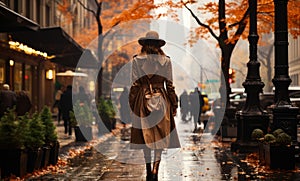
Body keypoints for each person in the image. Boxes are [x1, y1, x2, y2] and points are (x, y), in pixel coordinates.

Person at [129, 31, 180, 181]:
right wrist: (174, 104)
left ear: (144, 44)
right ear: (159, 45)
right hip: (162, 100)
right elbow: (170, 85)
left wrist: (132, 104)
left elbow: (135, 84)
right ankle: (155, 170)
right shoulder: (166, 61)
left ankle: (148, 169)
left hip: (142, 100)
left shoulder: (137, 60)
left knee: (145, 136)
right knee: (160, 137)